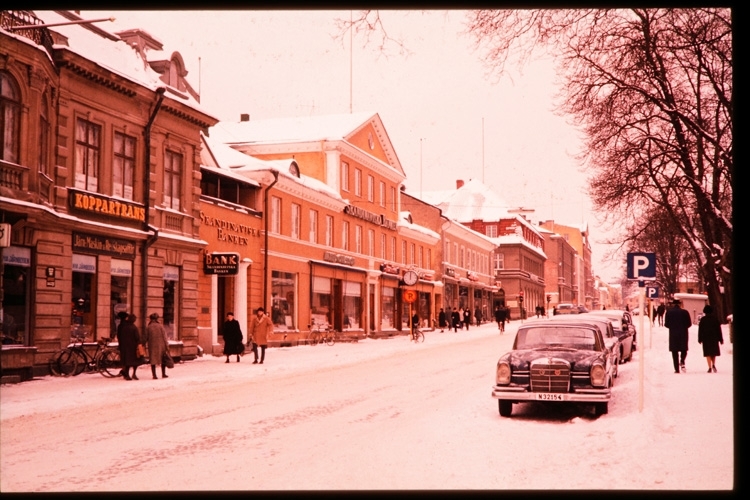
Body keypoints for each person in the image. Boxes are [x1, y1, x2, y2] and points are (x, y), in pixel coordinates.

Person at [664, 299, 692, 373]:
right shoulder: (685, 312)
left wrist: (672, 326)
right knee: (684, 349)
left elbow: (666, 324)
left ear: (673, 305)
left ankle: (676, 369)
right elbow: (689, 324)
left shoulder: (669, 312)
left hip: (673, 334)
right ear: (680, 305)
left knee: (674, 351)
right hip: (683, 333)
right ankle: (682, 360)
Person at [698, 305, 723, 373]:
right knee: (713, 352)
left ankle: (709, 367)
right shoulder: (715, 319)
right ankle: (714, 364)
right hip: (714, 338)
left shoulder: (703, 320)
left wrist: (700, 339)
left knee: (707, 353)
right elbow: (719, 330)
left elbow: (700, 330)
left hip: (706, 338)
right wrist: (721, 339)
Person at [146, 313, 170, 379]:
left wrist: (143, 345)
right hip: (161, 346)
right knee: (163, 359)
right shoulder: (160, 326)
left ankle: (154, 375)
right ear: (157, 319)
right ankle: (163, 374)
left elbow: (146, 337)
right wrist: (167, 346)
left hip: (152, 346)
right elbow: (165, 337)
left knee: (153, 360)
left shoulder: (149, 327)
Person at [117, 313, 141, 380]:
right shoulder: (134, 327)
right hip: (132, 347)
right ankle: (133, 374)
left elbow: (119, 336)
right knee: (135, 361)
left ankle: (126, 374)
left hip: (124, 346)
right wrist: (139, 344)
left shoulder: (123, 326)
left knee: (127, 361)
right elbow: (137, 338)